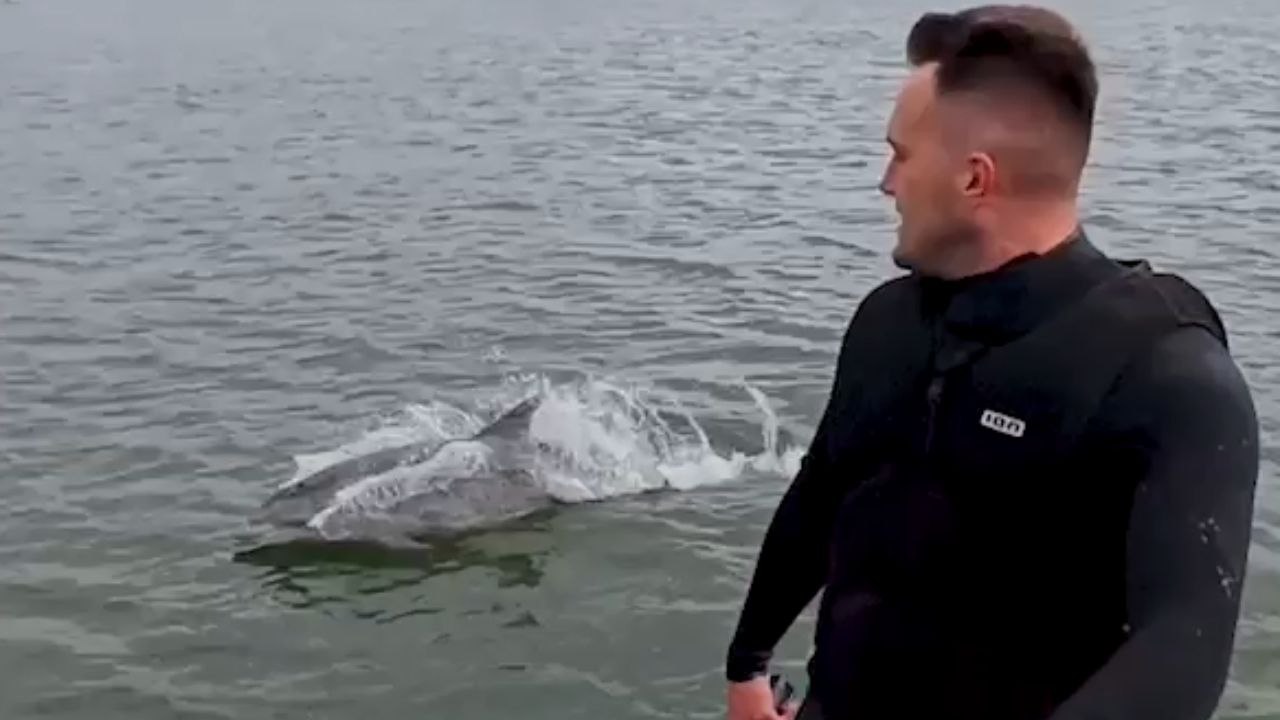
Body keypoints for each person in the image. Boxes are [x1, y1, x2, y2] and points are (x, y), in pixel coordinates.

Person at [724, 5, 1260, 720]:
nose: (886, 182)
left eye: (901, 154)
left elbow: (1181, 652)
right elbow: (820, 496)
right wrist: (748, 665)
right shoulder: (888, 324)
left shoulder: (1166, 373)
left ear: (975, 179)